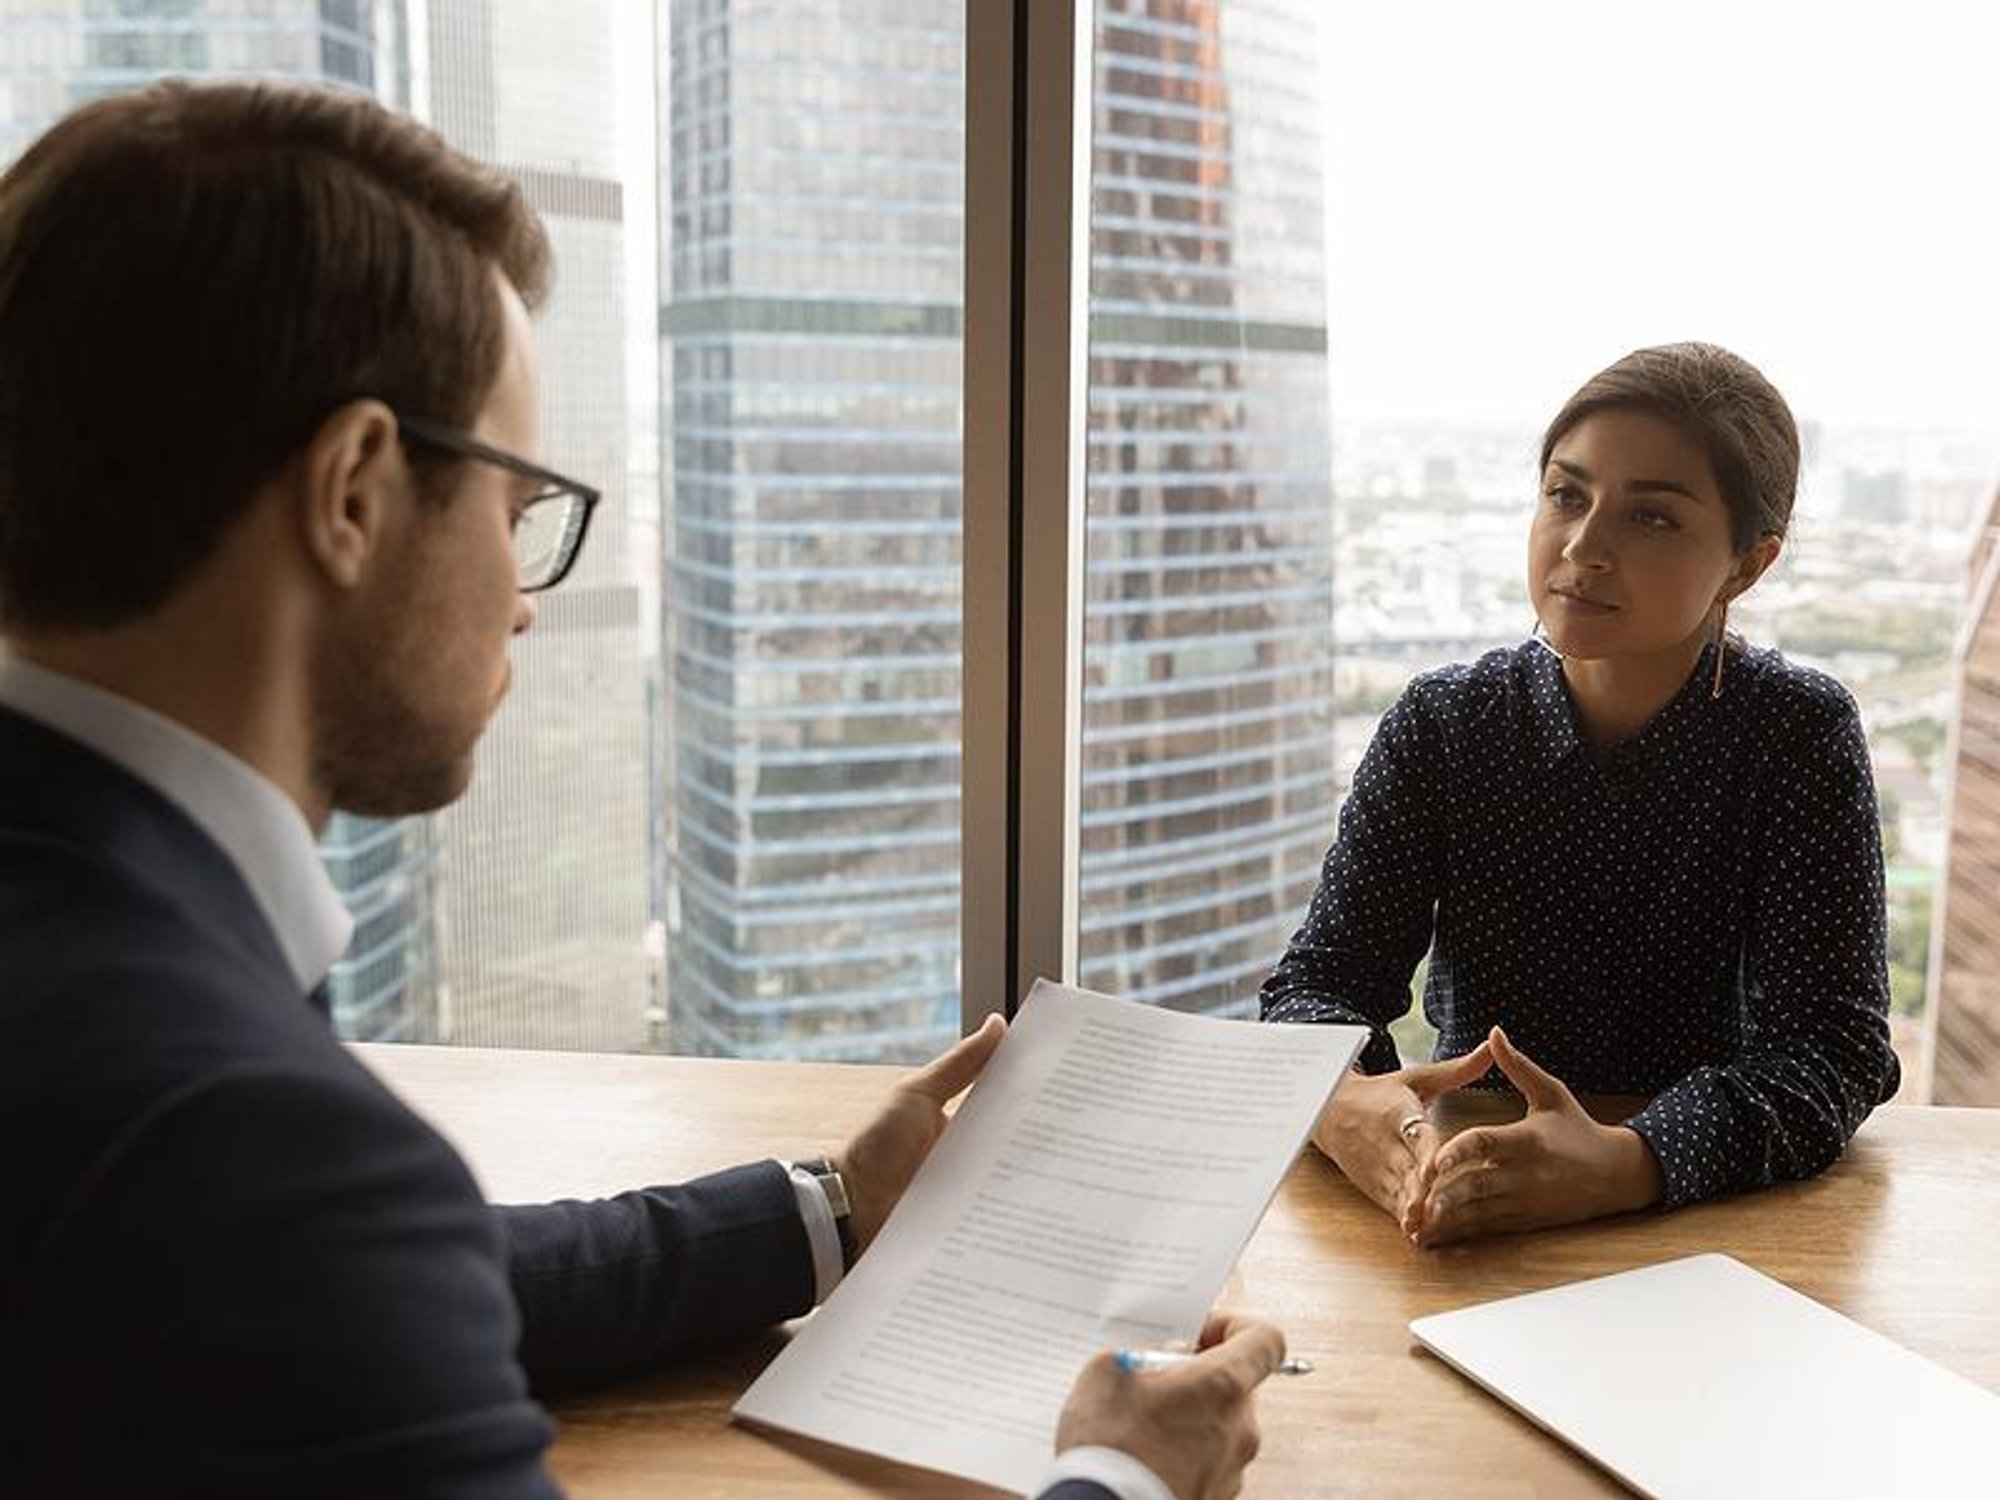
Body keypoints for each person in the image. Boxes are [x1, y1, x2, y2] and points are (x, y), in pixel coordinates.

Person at [0, 81, 1283, 1499]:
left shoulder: (113, 1004)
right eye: (521, 506)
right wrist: (1118, 1481)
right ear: (355, 490)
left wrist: (835, 1211)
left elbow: (333, 1281)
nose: (531, 602)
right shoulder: (234, 1132)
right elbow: (304, 1245)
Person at [1261, 342, 1900, 1249]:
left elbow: (1834, 1053)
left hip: (1705, 1226)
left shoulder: (1795, 735)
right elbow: (1319, 986)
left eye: (1653, 518)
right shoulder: (1448, 721)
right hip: (1463, 1197)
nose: (1583, 547)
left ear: (1747, 565)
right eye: (1567, 495)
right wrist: (1344, 1098)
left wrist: (1632, 1160)